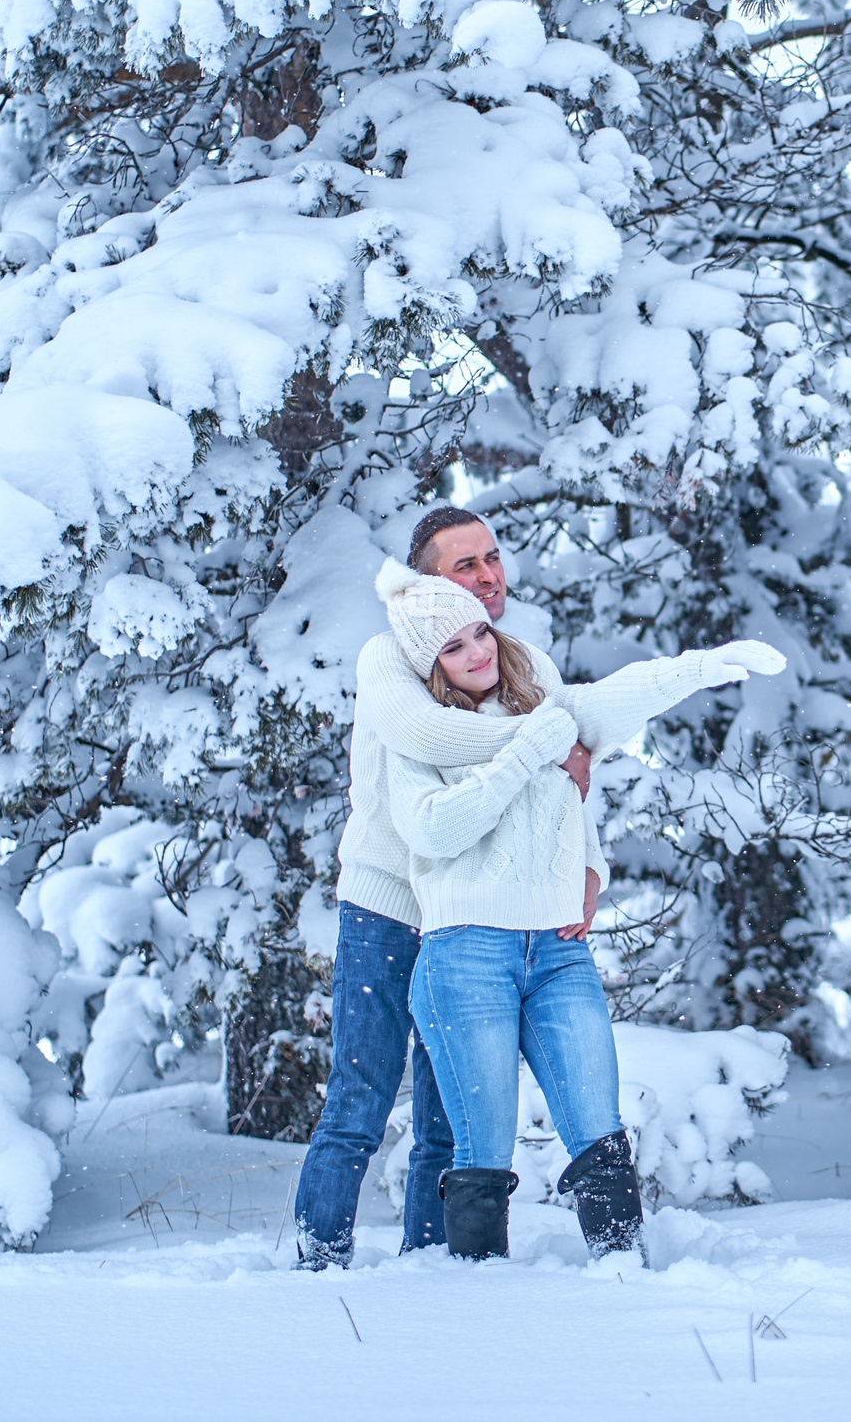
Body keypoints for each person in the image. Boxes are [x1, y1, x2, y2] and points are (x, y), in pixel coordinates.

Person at [375, 560, 784, 1260]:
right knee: (483, 1142)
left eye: (479, 633)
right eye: (453, 646)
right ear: (430, 665)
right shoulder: (422, 737)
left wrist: (706, 665)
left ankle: (623, 1271)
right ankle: (478, 1290)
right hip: (465, 950)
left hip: (557, 950)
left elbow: (615, 710)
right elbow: (433, 831)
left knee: (599, 1125)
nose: (477, 651)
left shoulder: (546, 709)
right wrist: (519, 758)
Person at [289, 507, 590, 1270]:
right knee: (359, 1094)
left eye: (493, 557)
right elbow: (427, 735)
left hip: (474, 916)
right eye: (466, 565)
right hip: (388, 901)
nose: (490, 576)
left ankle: (435, 1267)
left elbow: (571, 797)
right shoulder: (386, 657)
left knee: (450, 1116)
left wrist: (590, 872)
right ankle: (316, 1262)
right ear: (425, 581)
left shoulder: (525, 663)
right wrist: (549, 740)